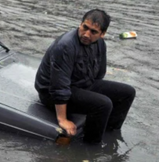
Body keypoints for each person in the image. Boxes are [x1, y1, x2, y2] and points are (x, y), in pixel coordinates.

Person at [34, 10, 136, 144]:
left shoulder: (100, 44)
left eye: (93, 32)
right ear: (80, 24)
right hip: (51, 94)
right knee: (104, 104)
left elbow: (99, 74)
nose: (86, 34)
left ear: (102, 34)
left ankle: (109, 133)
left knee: (127, 93)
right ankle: (91, 147)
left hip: (80, 84)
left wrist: (90, 96)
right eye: (84, 28)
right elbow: (59, 87)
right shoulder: (66, 46)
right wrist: (62, 120)